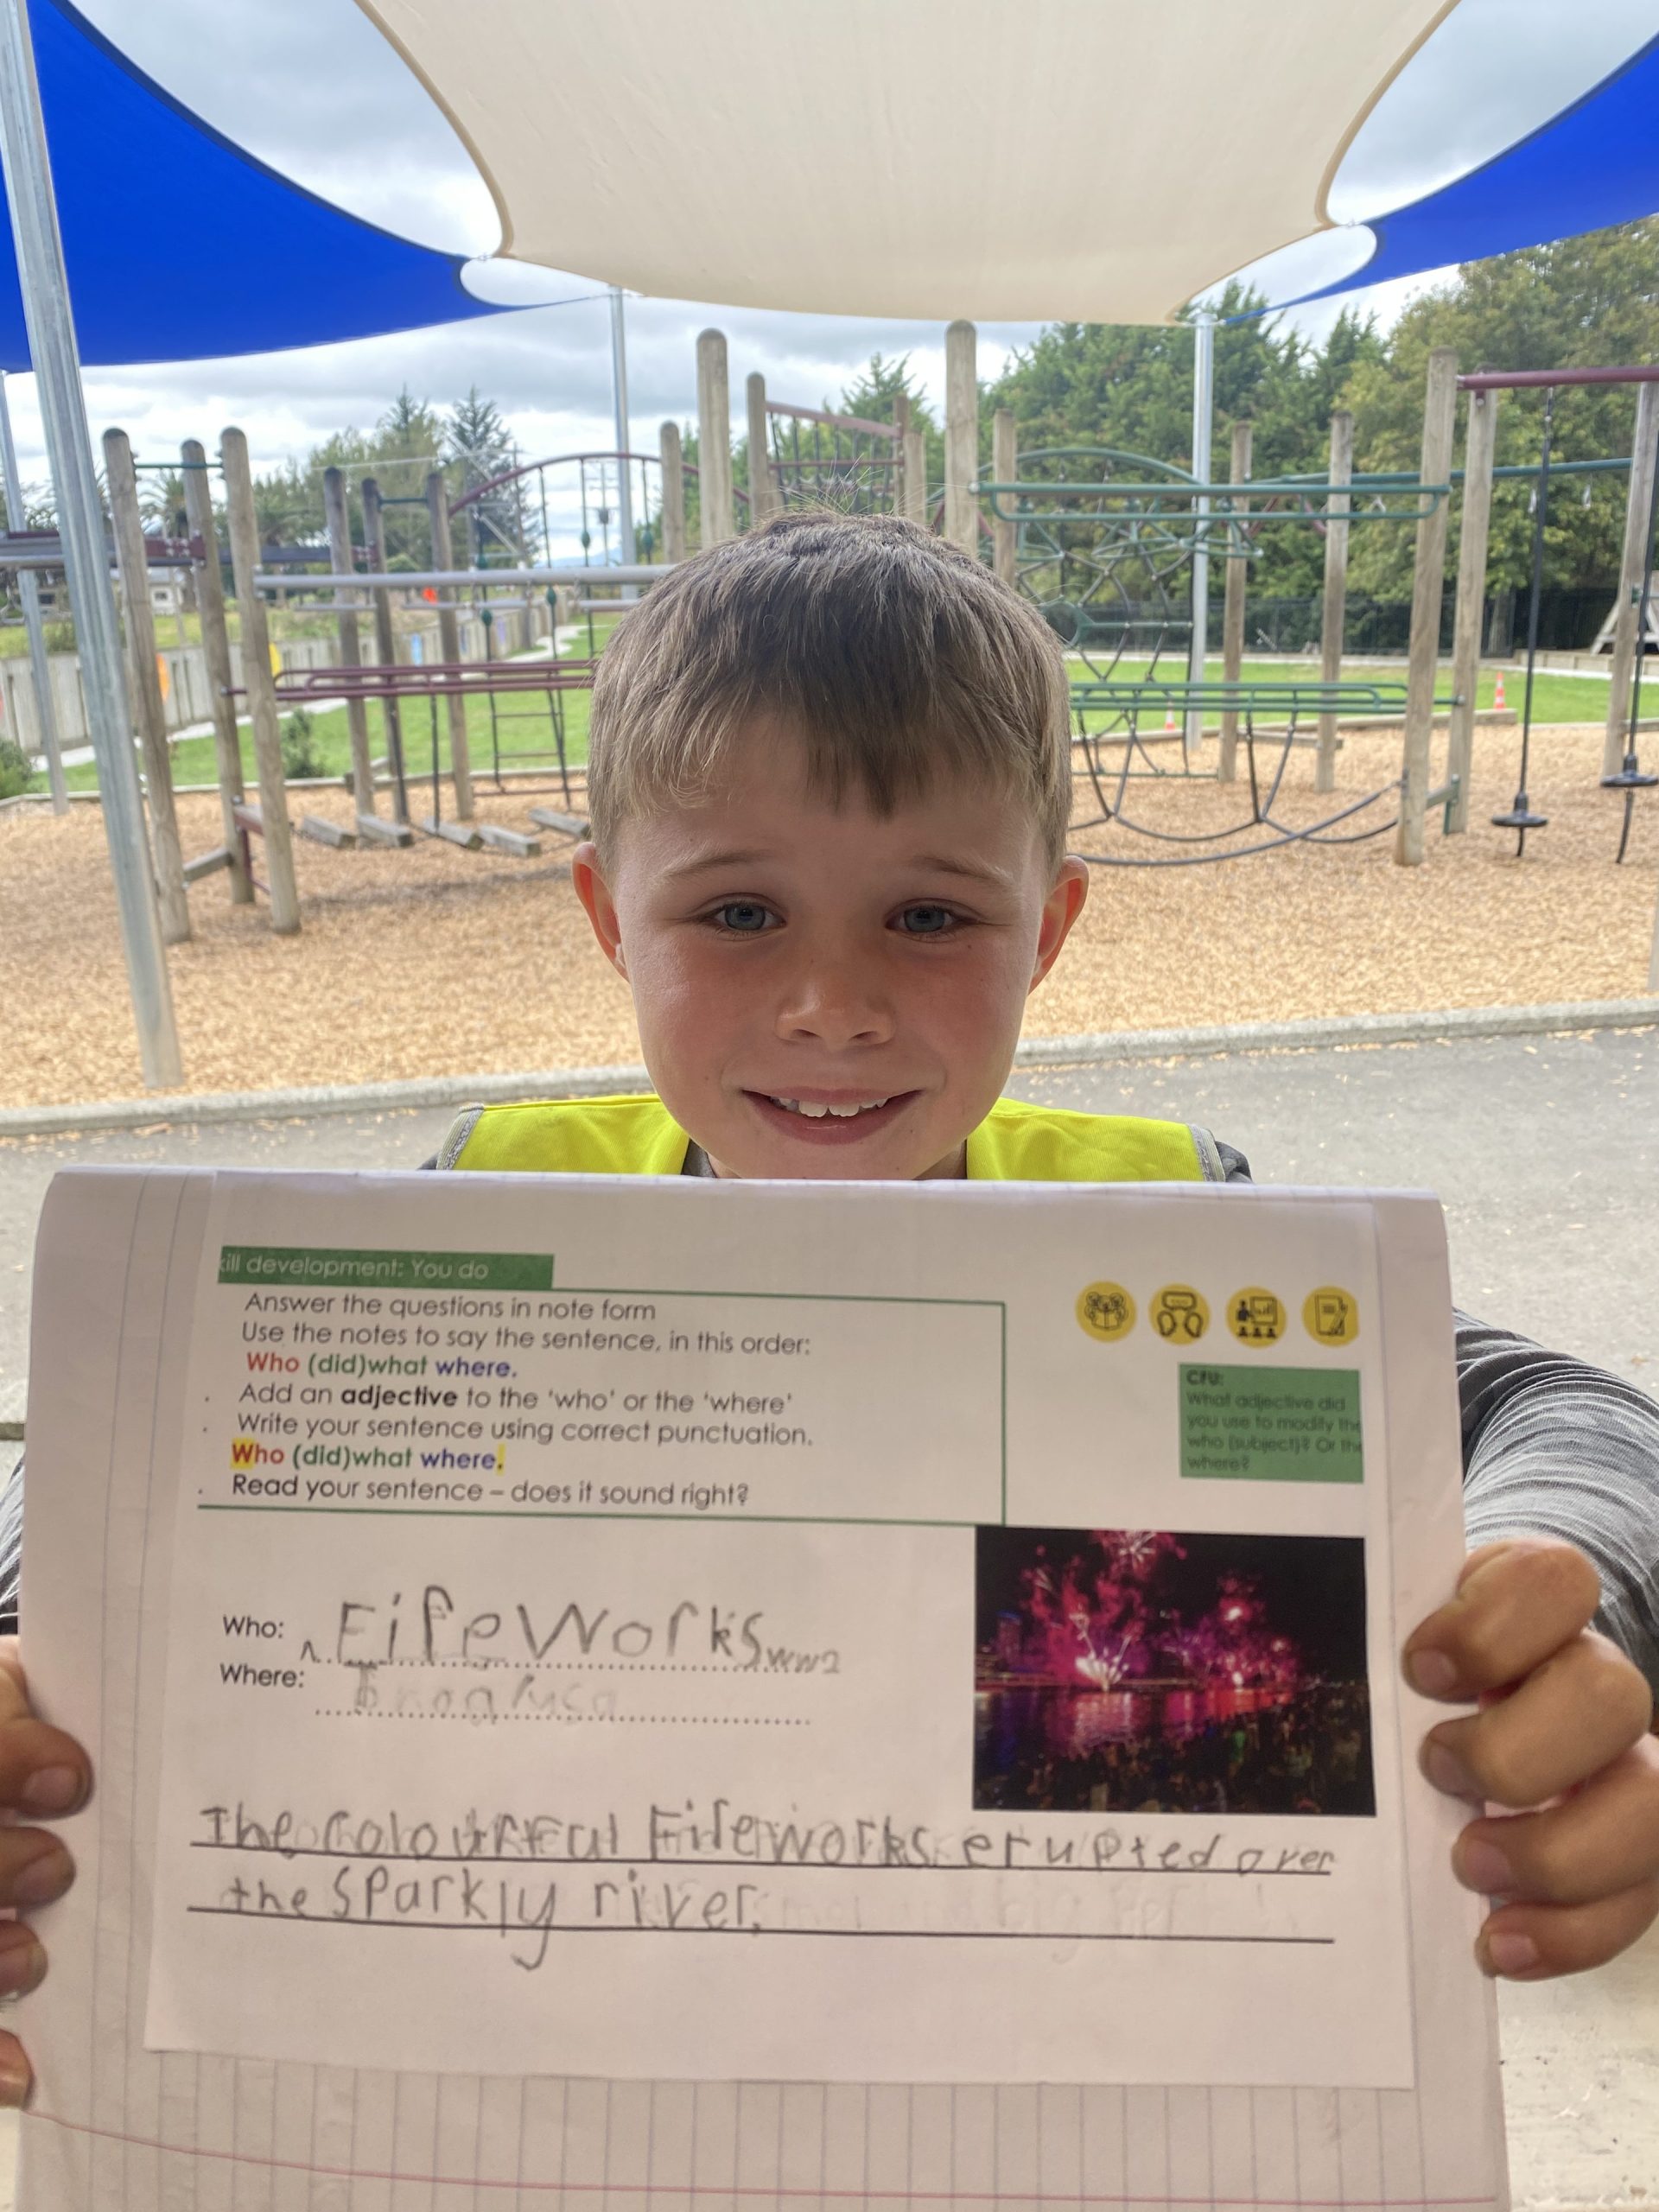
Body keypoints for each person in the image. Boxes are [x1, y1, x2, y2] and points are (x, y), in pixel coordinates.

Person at [0, 512, 1653, 2105]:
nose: (832, 1007)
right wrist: (31, 1653)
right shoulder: (486, 1205)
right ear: (608, 919)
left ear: (1047, 931)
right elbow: (109, 1458)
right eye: (739, 914)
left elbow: (1564, 1418)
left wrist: (1538, 1610)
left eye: (930, 917)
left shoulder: (1174, 1230)